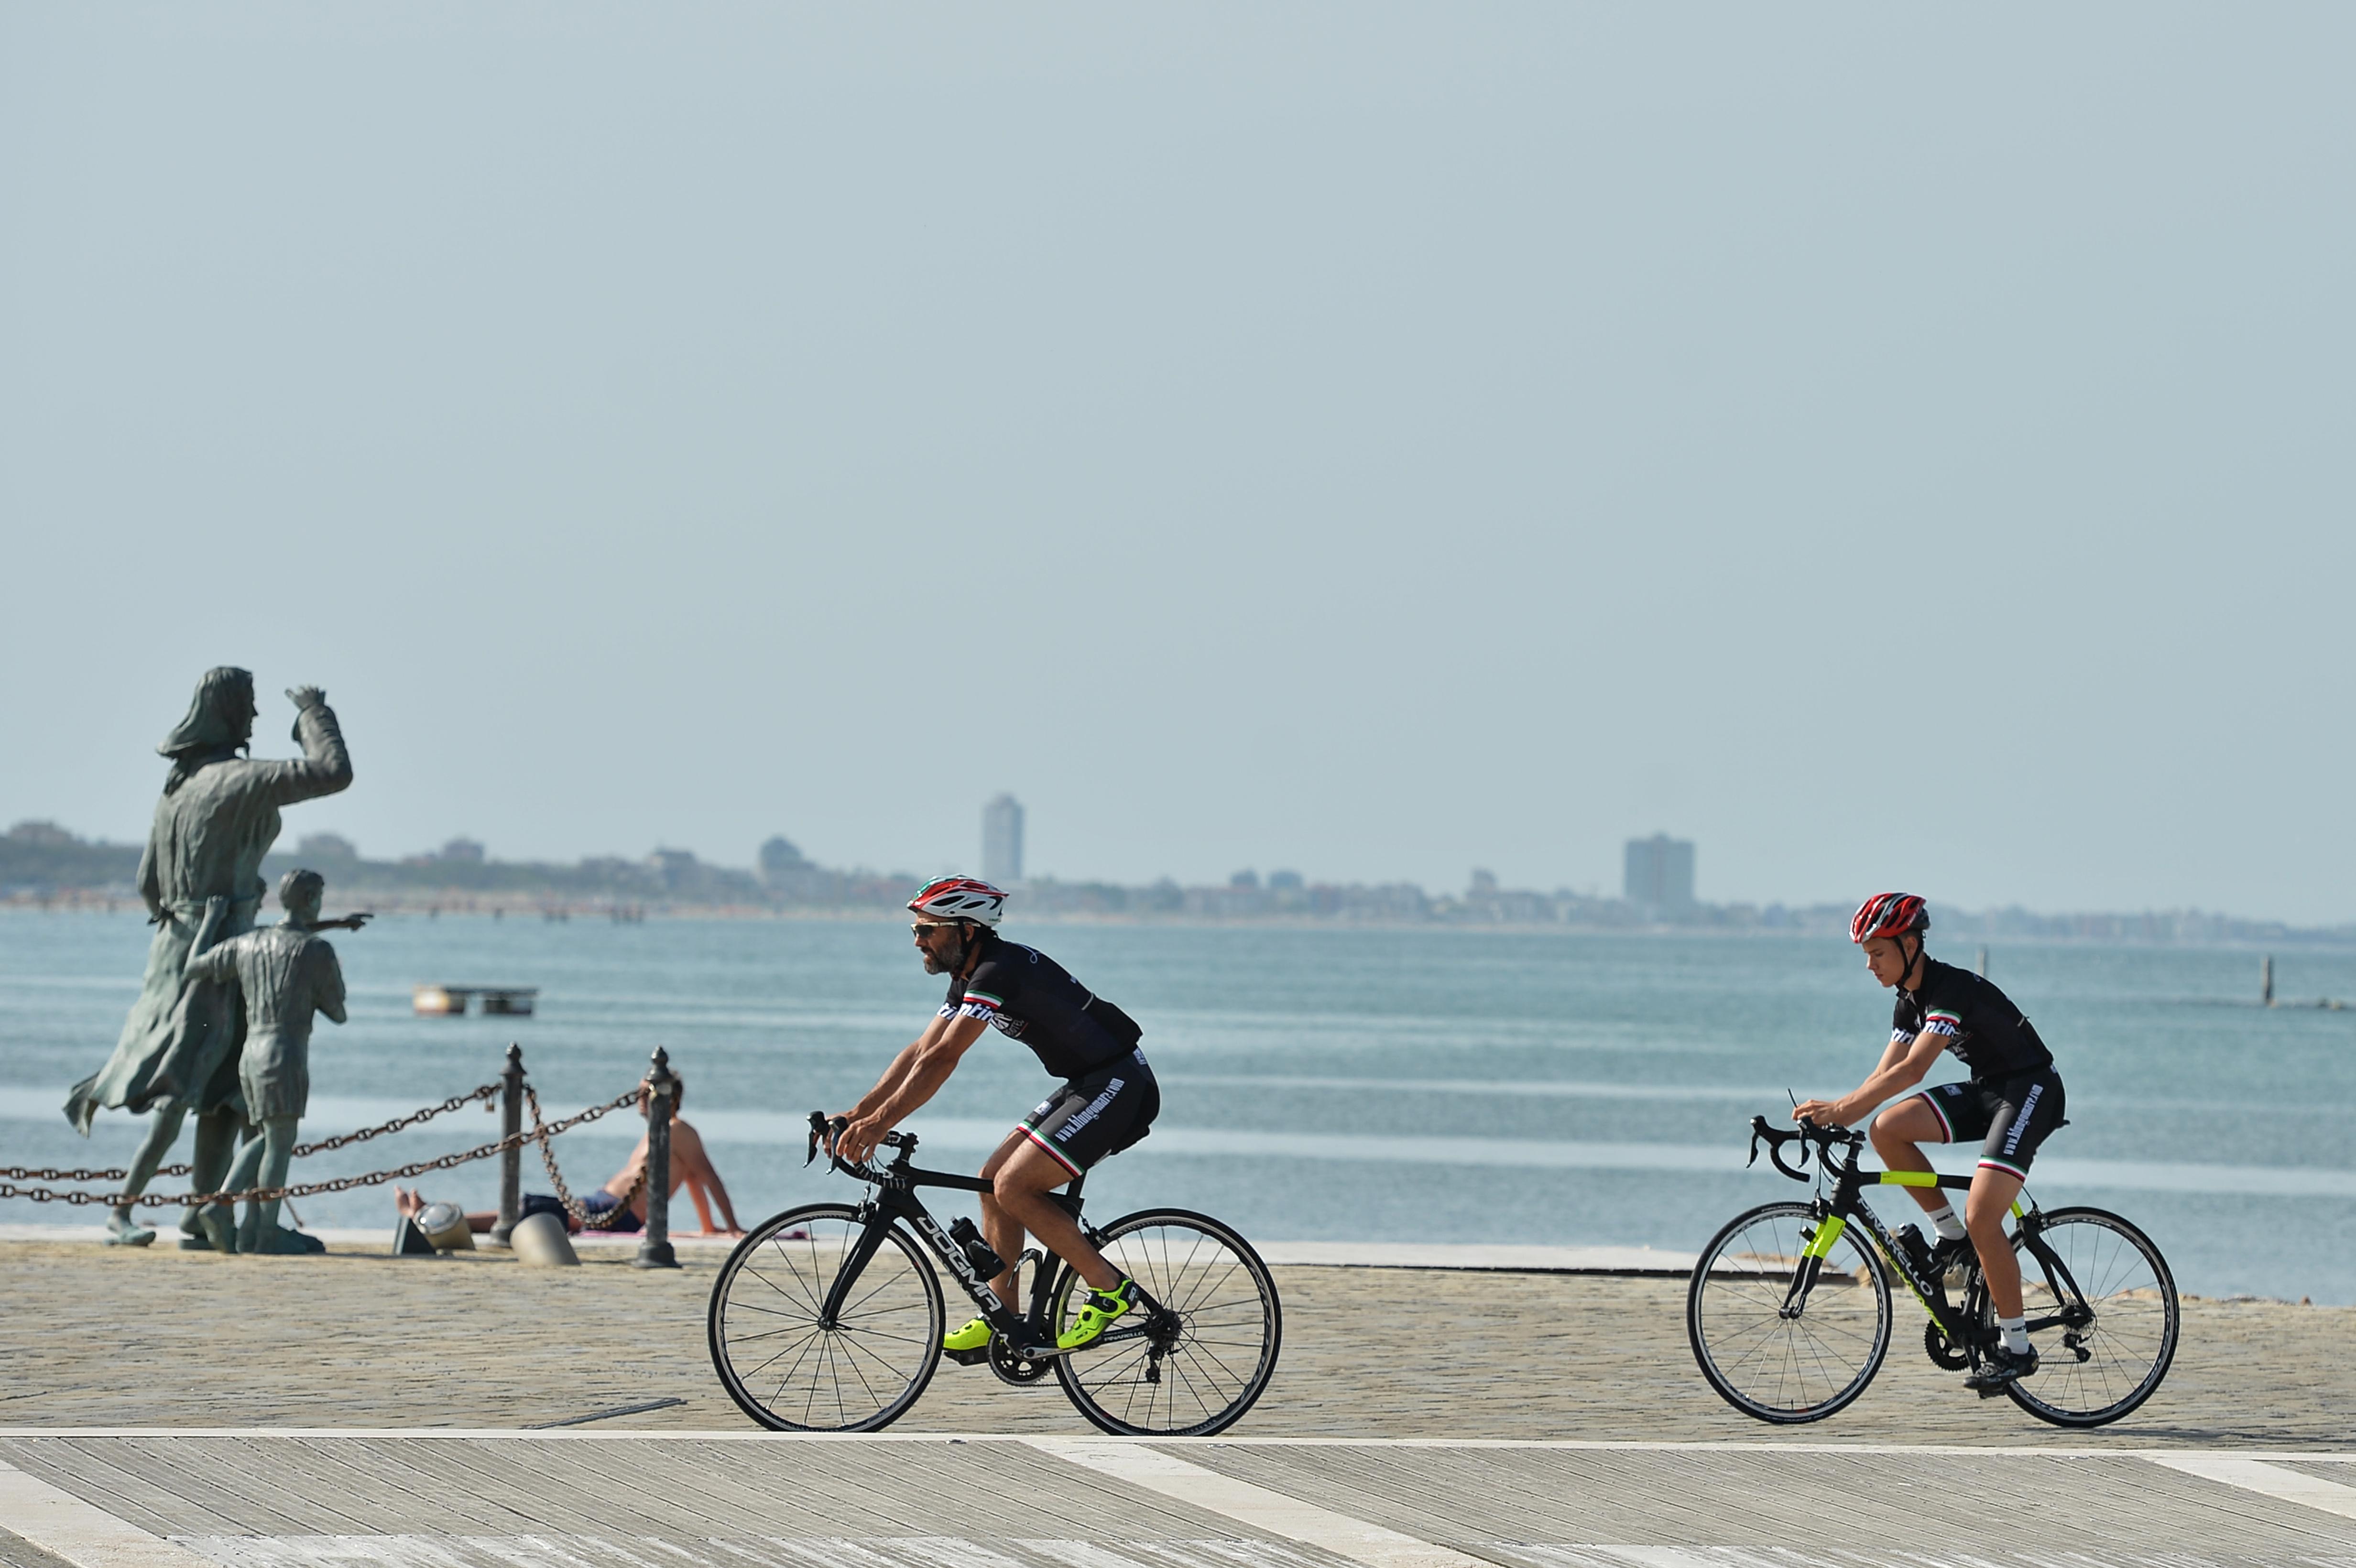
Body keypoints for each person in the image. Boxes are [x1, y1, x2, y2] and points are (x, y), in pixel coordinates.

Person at [64, 671, 353, 1248]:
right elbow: (331, 773)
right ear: (225, 714)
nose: (254, 720)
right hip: (219, 951)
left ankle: (203, 1213)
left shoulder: (177, 788)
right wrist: (313, 712)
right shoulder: (240, 780)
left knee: (224, 1091)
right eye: (247, 707)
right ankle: (129, 1212)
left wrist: (185, 913)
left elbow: (148, 881)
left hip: (178, 946)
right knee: (183, 1090)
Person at [835, 875, 1158, 1357]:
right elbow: (921, 1050)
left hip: (1118, 1084)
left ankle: (1110, 1288)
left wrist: (880, 1124)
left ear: (966, 929)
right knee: (991, 1180)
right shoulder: (967, 974)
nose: (918, 940)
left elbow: (943, 1059)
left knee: (1014, 1186)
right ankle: (1002, 1312)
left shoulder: (997, 972)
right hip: (1086, 1083)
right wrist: (858, 1113)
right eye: (915, 929)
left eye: (928, 929)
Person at [1795, 892, 2067, 1391]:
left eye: (1877, 952)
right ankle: (1950, 1236)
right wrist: (1836, 1112)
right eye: (1865, 954)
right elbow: (1883, 1074)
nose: (1869, 964)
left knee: (1984, 1213)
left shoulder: (1949, 990)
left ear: (1910, 943)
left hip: (2031, 1090)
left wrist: (1841, 1110)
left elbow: (1914, 1070)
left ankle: (2016, 1347)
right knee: (1886, 1130)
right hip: (1988, 1089)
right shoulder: (1908, 1001)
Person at [182, 867, 350, 1254]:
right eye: (319, 897)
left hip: (251, 1053)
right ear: (310, 900)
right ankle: (250, 1222)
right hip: (286, 1051)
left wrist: (210, 922)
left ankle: (247, 1226)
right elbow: (338, 1011)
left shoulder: (249, 943)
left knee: (265, 1137)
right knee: (279, 1142)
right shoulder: (317, 950)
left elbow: (195, 966)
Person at [396, 1076, 743, 1238]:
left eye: (643, 1092)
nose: (636, 1097)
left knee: (530, 1212)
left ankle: (434, 1221)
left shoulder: (679, 1130)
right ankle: (435, 1218)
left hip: (611, 1214)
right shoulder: (662, 1132)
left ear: (664, 1096)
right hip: (601, 1204)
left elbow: (708, 1178)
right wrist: (709, 1228)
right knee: (529, 1210)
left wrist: (731, 1228)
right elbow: (695, 1181)